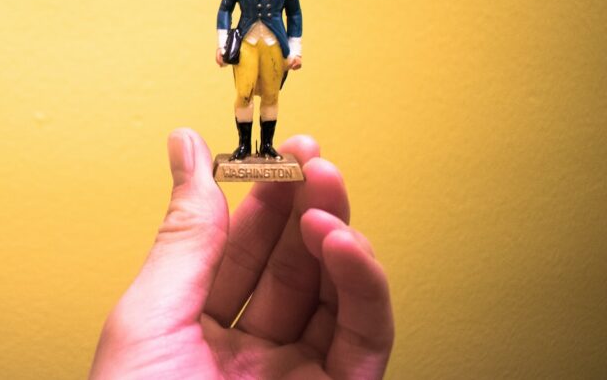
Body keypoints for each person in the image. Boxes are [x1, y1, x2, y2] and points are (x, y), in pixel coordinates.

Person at [90, 129, 394, 379]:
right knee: (246, 104)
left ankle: (266, 147)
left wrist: (293, 54)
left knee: (269, 106)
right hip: (247, 71)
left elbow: (293, 51)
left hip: (270, 68)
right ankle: (246, 145)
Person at [216, 0, 303, 161]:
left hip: (274, 43)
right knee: (243, 93)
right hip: (247, 42)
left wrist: (295, 50)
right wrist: (223, 45)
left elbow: (294, 14)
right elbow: (225, 9)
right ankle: (243, 145)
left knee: (271, 95)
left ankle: (267, 145)